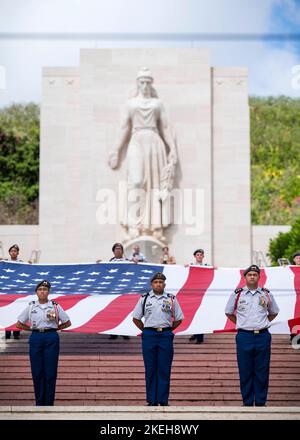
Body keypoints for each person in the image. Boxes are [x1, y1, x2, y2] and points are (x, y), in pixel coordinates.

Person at [109, 67, 177, 241]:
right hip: (136, 140)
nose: (145, 85)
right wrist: (116, 149)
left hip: (155, 143)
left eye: (148, 82)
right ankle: (133, 224)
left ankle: (156, 227)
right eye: (142, 82)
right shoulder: (130, 104)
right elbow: (124, 127)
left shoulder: (158, 104)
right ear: (137, 83)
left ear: (151, 84)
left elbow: (166, 127)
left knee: (155, 187)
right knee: (136, 182)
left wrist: (172, 149)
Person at [225, 265, 279, 407]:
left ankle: (261, 402)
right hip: (244, 336)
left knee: (262, 370)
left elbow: (274, 312)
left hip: (263, 336)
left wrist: (263, 323)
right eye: (250, 275)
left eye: (255, 274)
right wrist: (242, 323)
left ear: (259, 277)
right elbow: (229, 312)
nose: (252, 277)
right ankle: (247, 402)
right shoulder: (238, 294)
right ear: (245, 277)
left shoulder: (266, 293)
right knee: (245, 369)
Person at [16, 280, 71, 406]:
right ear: (36, 292)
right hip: (36, 337)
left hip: (51, 337)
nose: (42, 291)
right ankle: (39, 403)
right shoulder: (31, 306)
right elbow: (18, 324)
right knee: (37, 371)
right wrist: (32, 329)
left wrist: (55, 329)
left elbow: (67, 322)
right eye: (40, 289)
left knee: (50, 371)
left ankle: (49, 403)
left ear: (49, 292)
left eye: (45, 289)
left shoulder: (55, 306)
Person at [132, 272, 184, 406]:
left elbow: (178, 318)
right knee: (150, 368)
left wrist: (169, 329)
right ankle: (152, 400)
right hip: (149, 335)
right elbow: (136, 318)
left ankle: (163, 399)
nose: (158, 284)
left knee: (164, 368)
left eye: (161, 282)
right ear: (151, 284)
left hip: (165, 336)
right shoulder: (144, 298)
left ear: (164, 284)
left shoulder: (171, 298)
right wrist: (145, 330)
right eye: (156, 282)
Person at [108, 243, 130, 340]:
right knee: (113, 312)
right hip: (114, 290)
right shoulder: (110, 262)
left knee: (124, 311)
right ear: (113, 251)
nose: (118, 250)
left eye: (120, 249)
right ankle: (113, 332)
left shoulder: (127, 261)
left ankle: (125, 332)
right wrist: (98, 264)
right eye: (116, 249)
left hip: (124, 290)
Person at [2, 244, 23, 339]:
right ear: (9, 253)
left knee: (17, 311)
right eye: (12, 251)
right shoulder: (5, 263)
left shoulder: (21, 263)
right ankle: (7, 331)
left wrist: (31, 265)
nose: (13, 252)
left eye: (15, 251)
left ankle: (16, 331)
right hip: (7, 291)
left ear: (18, 253)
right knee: (7, 311)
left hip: (17, 291)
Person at [187, 249, 208, 344]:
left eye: (201, 255)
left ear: (203, 256)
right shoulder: (190, 266)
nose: (199, 256)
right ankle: (195, 333)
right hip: (193, 294)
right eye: (197, 255)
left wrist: (216, 269)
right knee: (193, 314)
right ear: (195, 256)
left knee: (201, 315)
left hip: (203, 294)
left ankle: (200, 337)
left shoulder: (207, 267)